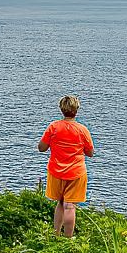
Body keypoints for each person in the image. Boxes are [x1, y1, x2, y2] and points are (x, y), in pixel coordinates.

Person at [37, 95, 94, 237]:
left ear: (61, 109)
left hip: (56, 171)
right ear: (76, 110)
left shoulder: (53, 127)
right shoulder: (82, 130)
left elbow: (41, 148)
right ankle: (68, 239)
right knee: (70, 206)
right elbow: (90, 152)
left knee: (60, 203)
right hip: (76, 172)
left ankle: (55, 234)